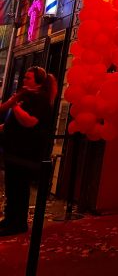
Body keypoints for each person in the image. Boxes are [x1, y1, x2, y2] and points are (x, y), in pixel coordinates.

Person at [0, 66, 57, 236]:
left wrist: (16, 106)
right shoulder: (27, 96)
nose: (24, 81)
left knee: (19, 188)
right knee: (12, 188)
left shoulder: (39, 99)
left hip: (24, 153)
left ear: (39, 83)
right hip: (14, 151)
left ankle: (17, 223)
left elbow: (30, 121)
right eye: (24, 77)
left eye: (28, 78)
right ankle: (10, 219)